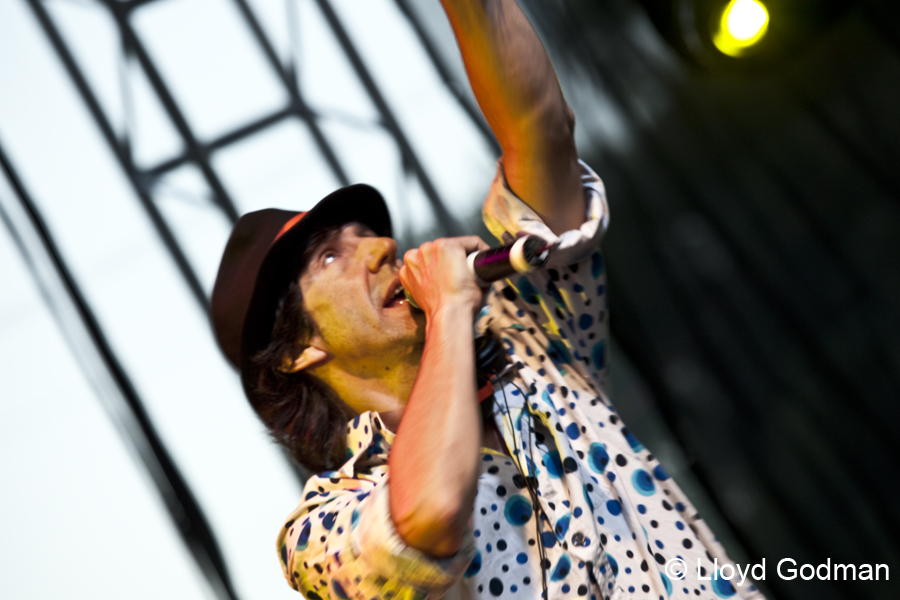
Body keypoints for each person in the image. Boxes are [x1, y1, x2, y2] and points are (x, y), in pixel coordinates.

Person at [210, 1, 766, 598]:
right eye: (329, 258)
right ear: (298, 349)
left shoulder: (527, 337)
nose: (381, 247)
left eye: (365, 234)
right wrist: (450, 307)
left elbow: (540, 127)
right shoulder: (317, 530)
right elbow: (427, 514)